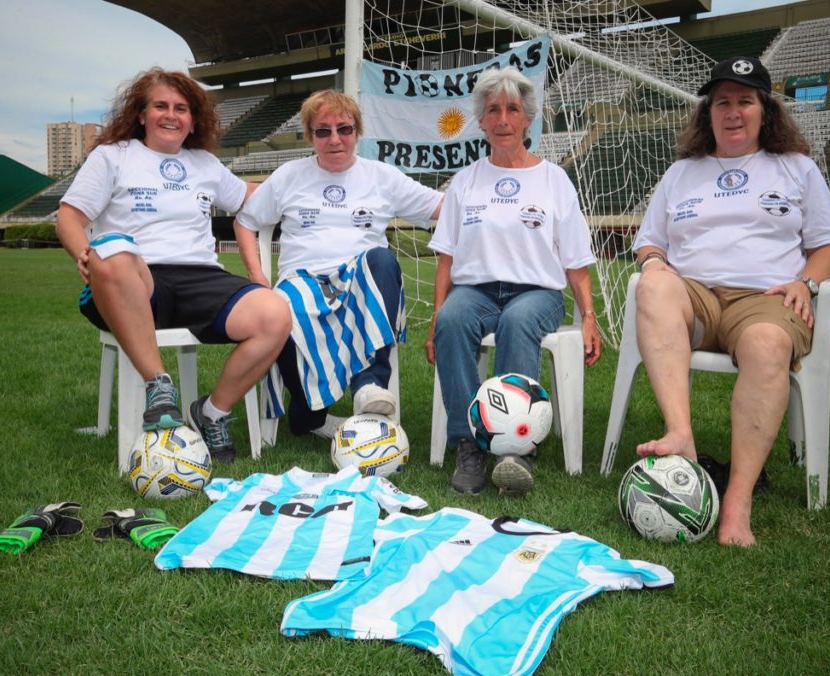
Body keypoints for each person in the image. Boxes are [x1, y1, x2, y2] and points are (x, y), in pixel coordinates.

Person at [632, 56, 830, 546]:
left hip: (767, 296)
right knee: (652, 284)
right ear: (707, 114)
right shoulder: (682, 172)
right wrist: (654, 262)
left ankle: (737, 500)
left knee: (768, 343)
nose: (733, 112)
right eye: (722, 102)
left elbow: (828, 245)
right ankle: (680, 435)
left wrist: (806, 283)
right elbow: (649, 243)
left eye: (745, 101)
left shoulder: (796, 168)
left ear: (765, 112)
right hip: (696, 296)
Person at [56, 67, 292, 463]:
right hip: (134, 279)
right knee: (112, 251)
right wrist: (86, 254)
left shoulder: (204, 163)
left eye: (181, 109)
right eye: (160, 106)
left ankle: (212, 413)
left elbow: (253, 197)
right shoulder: (113, 156)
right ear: (141, 114)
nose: (171, 115)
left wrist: (307, 184)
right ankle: (159, 385)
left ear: (193, 120)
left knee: (274, 314)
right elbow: (69, 217)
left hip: (201, 277)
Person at [426, 67, 602, 496]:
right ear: (481, 121)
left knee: (518, 321)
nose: (502, 119)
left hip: (537, 292)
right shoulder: (466, 180)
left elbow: (576, 259)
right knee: (453, 320)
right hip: (475, 290)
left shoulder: (553, 180)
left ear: (528, 119)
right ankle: (470, 443)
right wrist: (436, 316)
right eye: (493, 110)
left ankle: (515, 448)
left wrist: (589, 315)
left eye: (512, 110)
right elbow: (446, 256)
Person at [236, 90, 443, 439]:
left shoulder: (381, 176)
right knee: (280, 306)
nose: (335, 139)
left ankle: (369, 387)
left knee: (382, 260)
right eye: (323, 131)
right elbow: (245, 221)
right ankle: (309, 414)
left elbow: (441, 207)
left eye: (344, 129)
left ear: (357, 132)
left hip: (360, 279)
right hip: (303, 279)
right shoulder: (289, 175)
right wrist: (258, 279)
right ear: (310, 135)